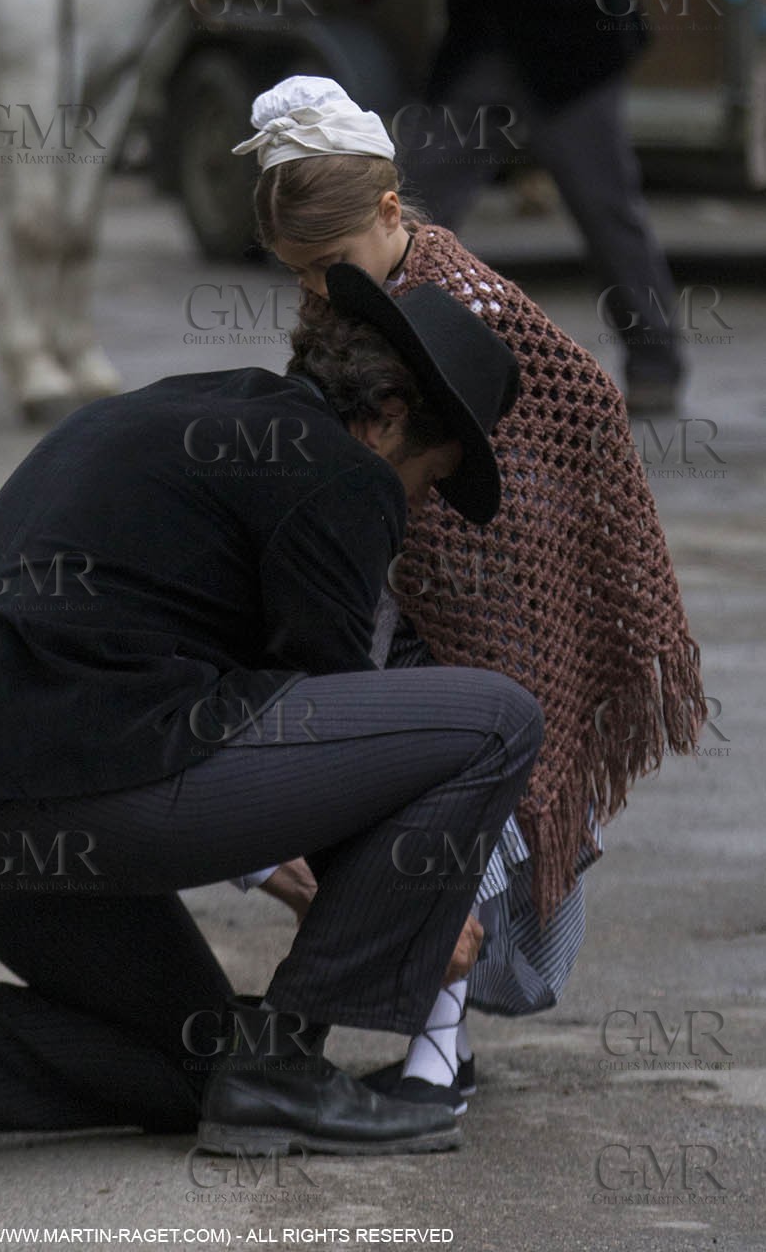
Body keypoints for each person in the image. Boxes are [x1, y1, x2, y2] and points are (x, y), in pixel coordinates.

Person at [0, 259, 543, 1180]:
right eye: (429, 477)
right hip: (75, 777)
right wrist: (416, 912)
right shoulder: (344, 473)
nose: (415, 510)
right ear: (382, 417)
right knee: (495, 719)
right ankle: (291, 1063)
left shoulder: (171, 407)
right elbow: (340, 730)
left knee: (201, 1063)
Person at [231, 74, 707, 1112]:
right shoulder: (355, 309)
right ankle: (402, 1039)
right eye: (298, 277)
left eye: (328, 267)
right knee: (376, 811)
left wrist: (496, 544)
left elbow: (574, 397)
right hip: (390, 604)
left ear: (392, 213)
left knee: (454, 815)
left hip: (482, 612)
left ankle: (432, 1059)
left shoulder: (468, 305)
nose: (315, 292)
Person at [316, 0, 684, 415]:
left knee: (606, 211)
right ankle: (374, 361)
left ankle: (655, 362)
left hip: (569, 48)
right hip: (479, 53)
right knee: (411, 201)